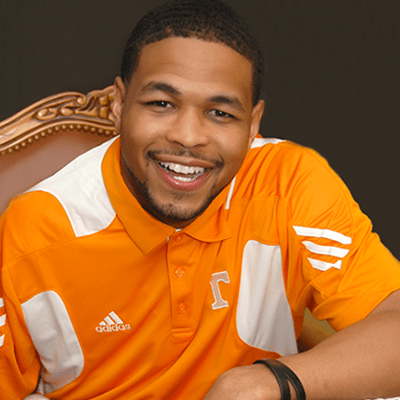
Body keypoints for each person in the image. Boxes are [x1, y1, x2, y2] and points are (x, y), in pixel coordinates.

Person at [1, 0, 400, 399]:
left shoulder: (287, 184)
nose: (189, 137)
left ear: (253, 124)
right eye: (161, 104)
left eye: (220, 113)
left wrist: (266, 384)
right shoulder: (37, 228)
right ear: (119, 104)